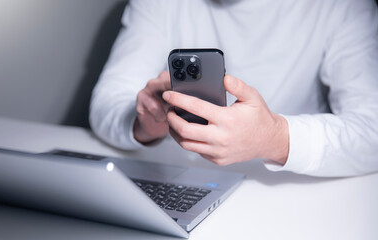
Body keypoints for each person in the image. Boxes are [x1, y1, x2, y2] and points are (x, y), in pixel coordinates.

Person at [90, 0, 378, 177]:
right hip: (181, 180)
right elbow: (107, 102)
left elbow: (372, 130)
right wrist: (145, 125)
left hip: (290, 193)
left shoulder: (343, 5)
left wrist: (276, 138)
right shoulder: (159, 3)